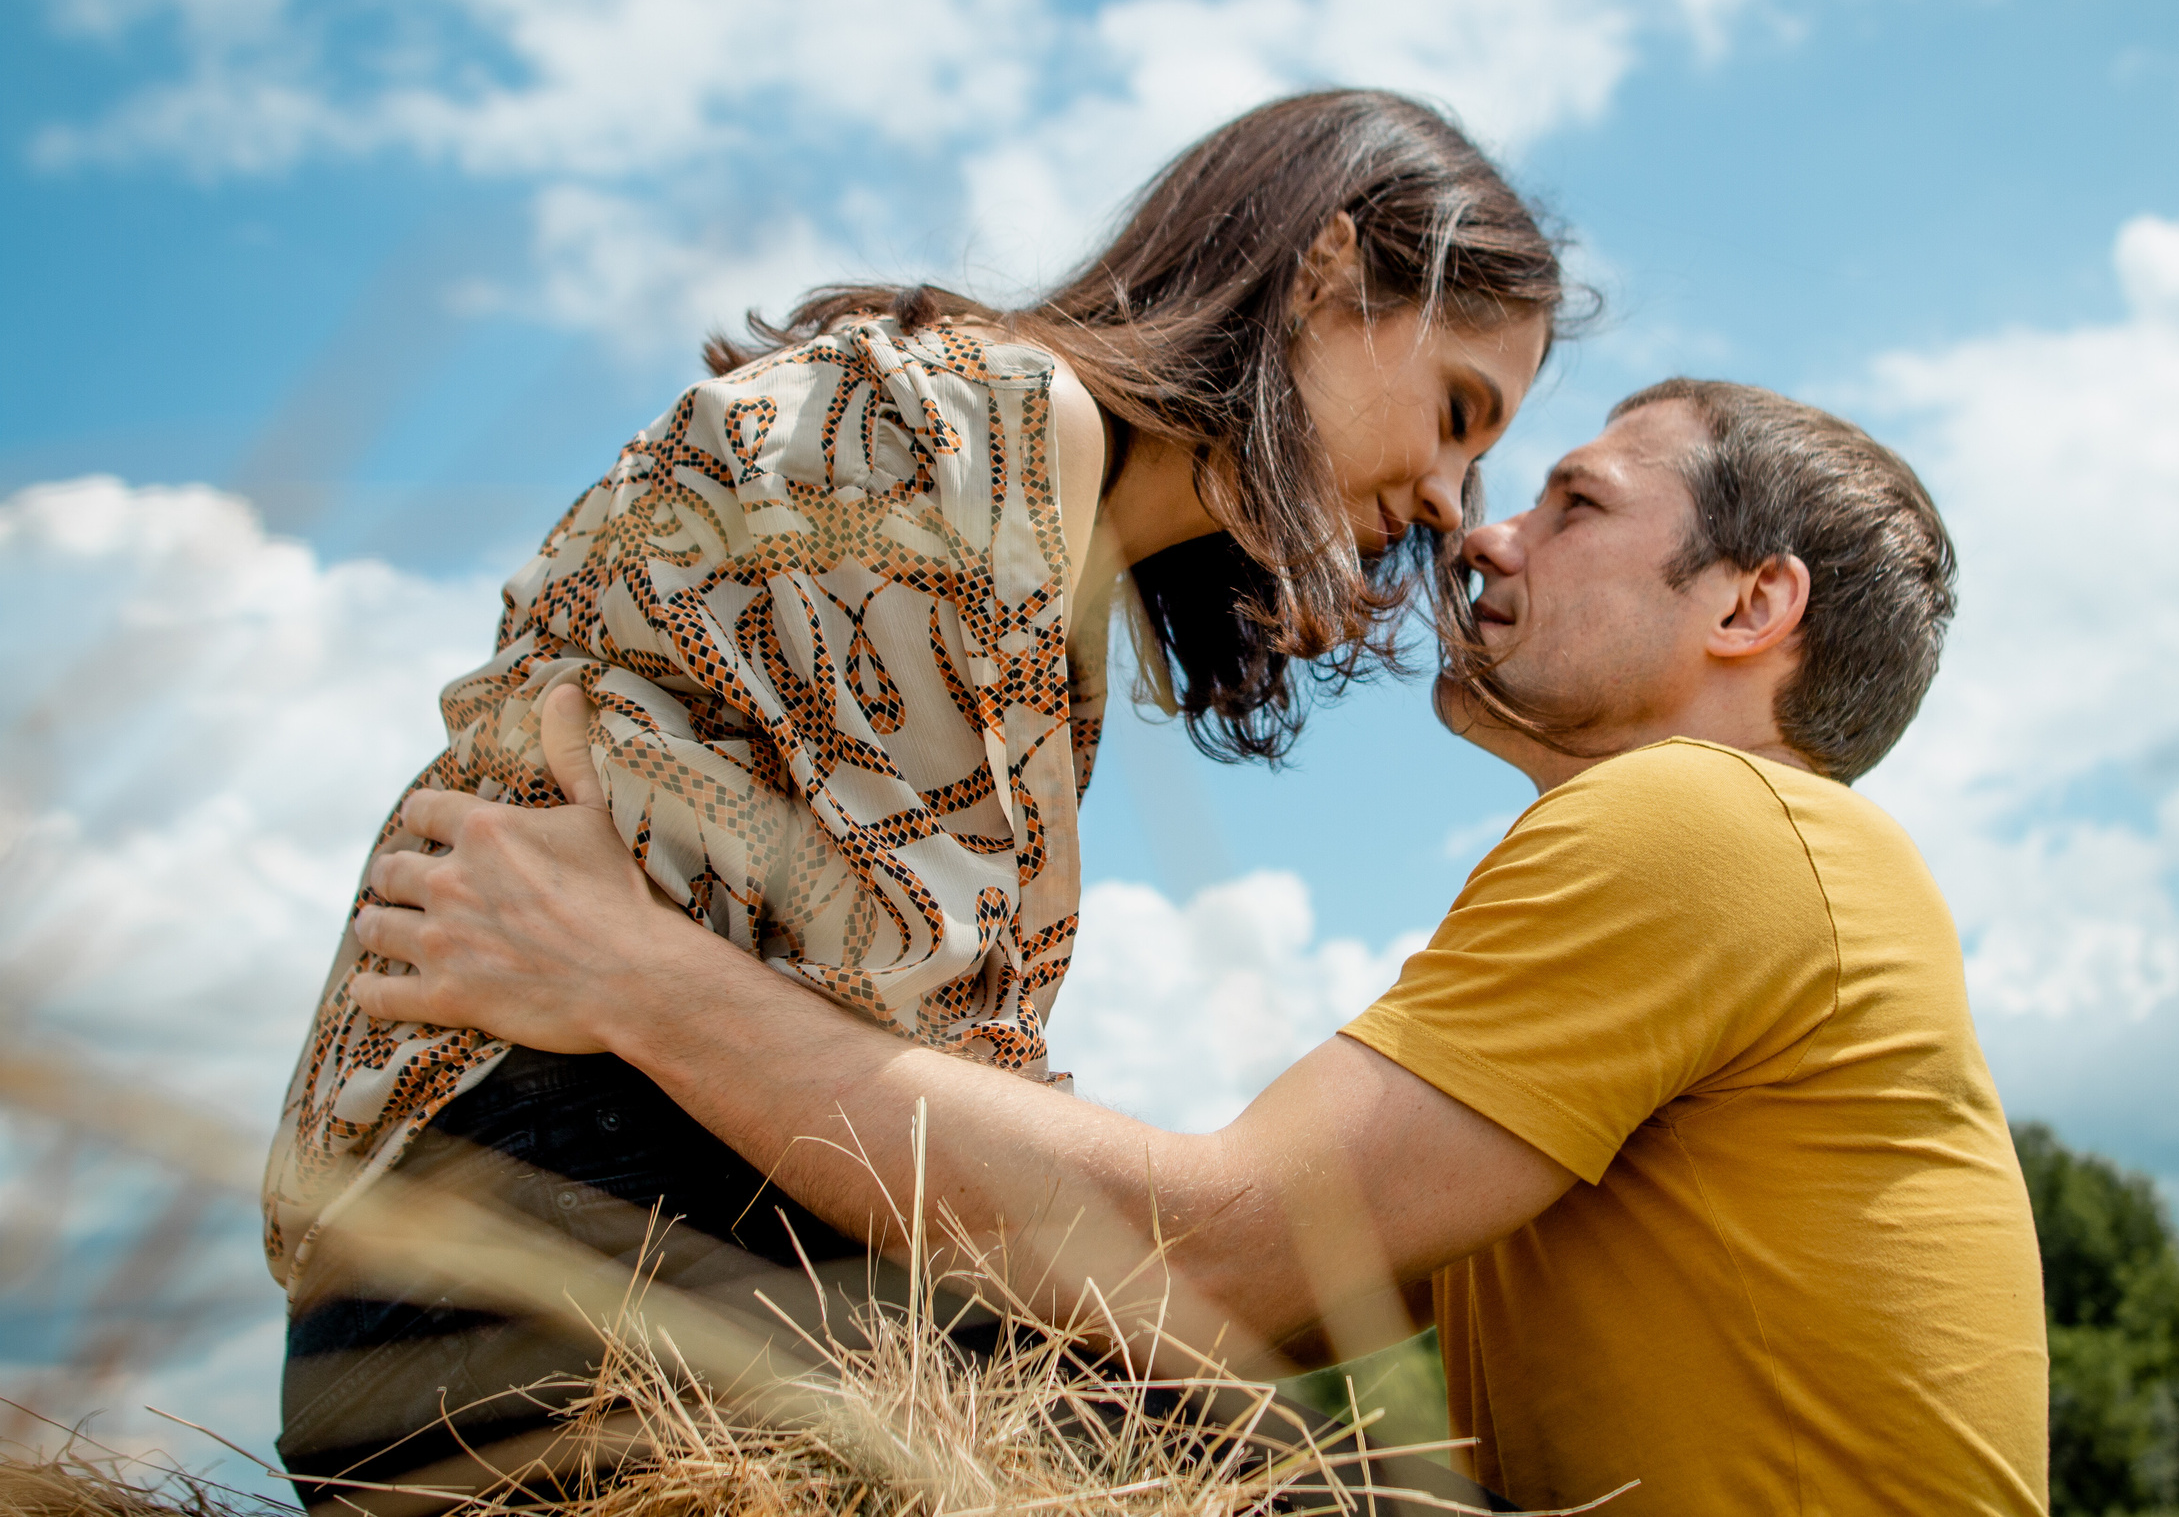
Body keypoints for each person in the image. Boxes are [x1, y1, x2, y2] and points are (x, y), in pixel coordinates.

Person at [354, 378, 2051, 1514]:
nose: (1481, 533)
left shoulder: (1708, 825)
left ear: (1747, 610)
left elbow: (1218, 1256)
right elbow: (1217, 1340)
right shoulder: (1725, 874)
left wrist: (627, 978)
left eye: (1572, 504)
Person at [264, 88, 1564, 1504]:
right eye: (1455, 411)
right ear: (1322, 267)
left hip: (545, 1269)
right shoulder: (981, 426)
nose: (1451, 497)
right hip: (543, 1263)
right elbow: (917, 1075)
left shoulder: (1041, 508)